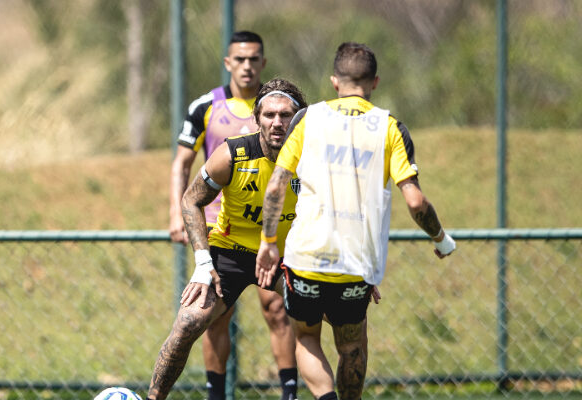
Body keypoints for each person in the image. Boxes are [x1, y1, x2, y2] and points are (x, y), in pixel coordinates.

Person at [255, 42, 457, 400]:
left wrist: (269, 243)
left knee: (305, 337)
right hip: (356, 264)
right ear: (375, 81)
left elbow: (276, 187)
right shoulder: (390, 128)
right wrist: (441, 240)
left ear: (335, 81)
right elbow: (416, 201)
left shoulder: (308, 119)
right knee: (351, 345)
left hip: (306, 258)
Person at [148, 78, 308, 400]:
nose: (277, 123)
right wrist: (202, 263)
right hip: (228, 253)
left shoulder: (313, 162)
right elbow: (191, 200)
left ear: (299, 118)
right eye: (269, 115)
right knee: (188, 322)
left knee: (338, 318)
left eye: (286, 115)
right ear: (256, 118)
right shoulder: (232, 155)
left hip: (283, 256)